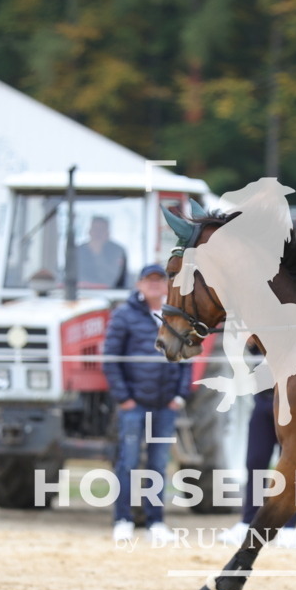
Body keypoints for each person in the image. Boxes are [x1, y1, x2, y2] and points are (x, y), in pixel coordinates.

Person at [103, 264, 192, 544]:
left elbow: (186, 355)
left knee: (157, 464)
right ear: (140, 284)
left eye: (159, 280)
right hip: (135, 406)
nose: (154, 285)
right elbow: (112, 358)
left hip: (165, 405)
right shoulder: (124, 315)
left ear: (167, 285)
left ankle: (156, 522)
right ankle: (122, 519)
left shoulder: (175, 315)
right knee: (127, 462)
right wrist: (124, 399)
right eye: (149, 280)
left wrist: (179, 396)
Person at [218, 388, 296, 549]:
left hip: (295, 402)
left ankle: (289, 526)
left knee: (291, 468)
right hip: (264, 398)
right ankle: (248, 522)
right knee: (255, 461)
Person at [78, 216, 128, 288]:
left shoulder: (118, 251)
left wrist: (98, 254)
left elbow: (113, 278)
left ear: (108, 232)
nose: (98, 233)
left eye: (101, 230)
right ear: (89, 231)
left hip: (112, 294)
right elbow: (74, 276)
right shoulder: (78, 251)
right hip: (82, 293)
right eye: (95, 229)